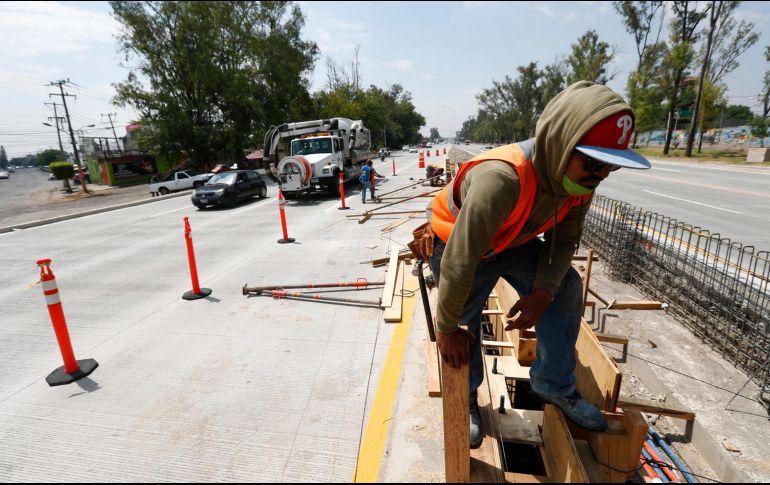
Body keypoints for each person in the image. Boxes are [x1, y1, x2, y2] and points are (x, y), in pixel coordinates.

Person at [426, 81, 651, 448]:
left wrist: (542, 294)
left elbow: (563, 241)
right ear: (561, 144)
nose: (601, 176)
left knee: (566, 286)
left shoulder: (578, 181)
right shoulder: (502, 179)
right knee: (462, 324)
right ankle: (465, 397)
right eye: (594, 163)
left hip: (510, 241)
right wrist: (446, 326)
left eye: (610, 167)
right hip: (455, 244)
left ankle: (553, 384)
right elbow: (460, 260)